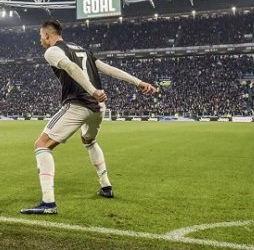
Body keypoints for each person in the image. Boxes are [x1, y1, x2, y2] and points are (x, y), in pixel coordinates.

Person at [21, 20, 156, 215]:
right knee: (89, 140)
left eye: (41, 37)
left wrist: (92, 90)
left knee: (41, 145)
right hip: (98, 109)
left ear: (48, 35)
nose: (41, 40)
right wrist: (138, 82)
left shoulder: (52, 51)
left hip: (79, 104)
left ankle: (48, 203)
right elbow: (108, 69)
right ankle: (106, 186)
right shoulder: (81, 49)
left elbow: (71, 68)